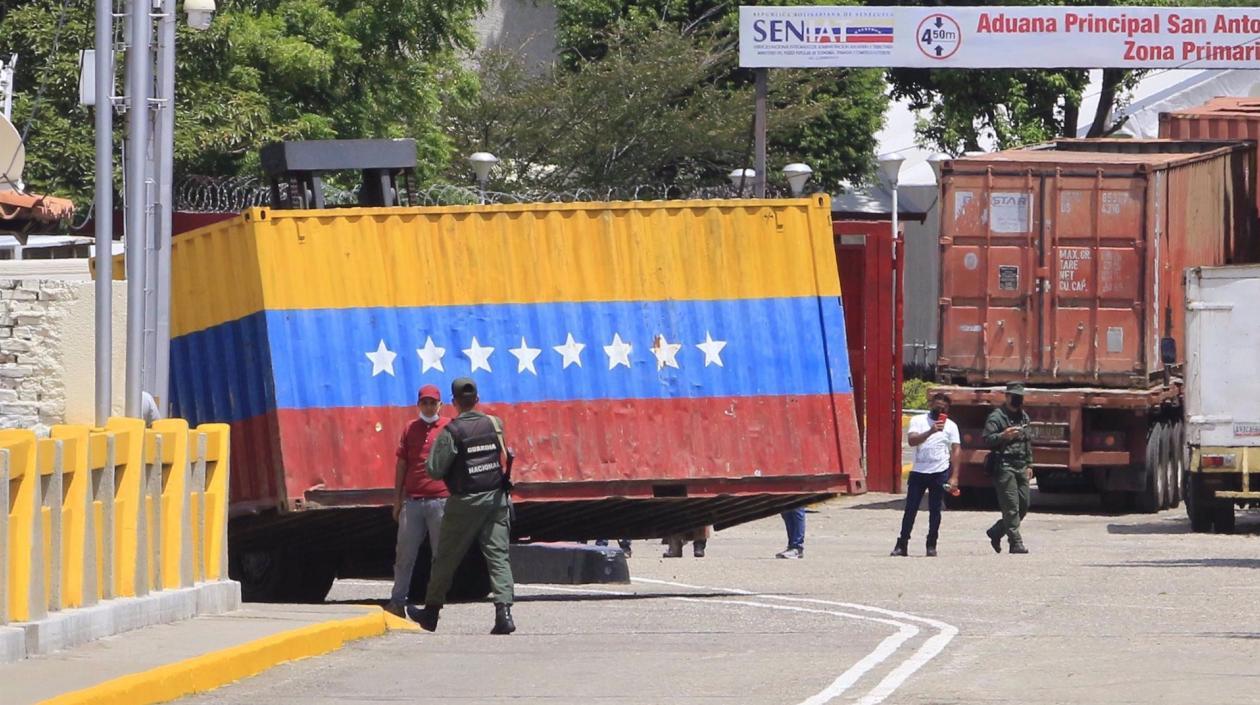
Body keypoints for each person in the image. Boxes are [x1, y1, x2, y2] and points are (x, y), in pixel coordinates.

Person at [409, 378, 517, 634]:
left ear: (454, 402)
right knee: (498, 557)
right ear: (477, 400)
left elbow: (434, 470)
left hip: (464, 503)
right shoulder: (494, 424)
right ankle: (504, 614)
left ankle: (431, 613)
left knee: (446, 557)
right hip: (495, 500)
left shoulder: (452, 432)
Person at [384, 385, 449, 619]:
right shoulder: (410, 429)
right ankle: (397, 602)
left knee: (440, 556)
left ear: (440, 405)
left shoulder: (448, 428)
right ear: (418, 405)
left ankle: (434, 605)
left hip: (441, 501)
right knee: (404, 554)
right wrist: (397, 499)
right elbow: (402, 464)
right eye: (425, 403)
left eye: (433, 403)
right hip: (413, 502)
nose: (429, 407)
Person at [892, 393, 960, 557]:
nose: (940, 409)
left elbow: (956, 449)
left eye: (944, 407)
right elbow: (912, 441)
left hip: (939, 472)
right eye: (937, 405)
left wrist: (954, 476)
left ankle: (931, 544)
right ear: (930, 405)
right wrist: (930, 431)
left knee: (935, 510)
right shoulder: (918, 421)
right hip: (918, 473)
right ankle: (902, 544)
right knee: (911, 509)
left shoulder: (951, 426)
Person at [983, 382, 1033, 555]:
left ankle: (997, 531)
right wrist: (1003, 436)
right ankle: (1015, 542)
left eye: (1020, 396)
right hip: (1004, 465)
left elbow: (1027, 442)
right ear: (1007, 397)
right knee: (1011, 506)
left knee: (1024, 505)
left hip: (1021, 465)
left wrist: (1029, 463)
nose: (1018, 399)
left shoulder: (1024, 417)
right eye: (1014, 396)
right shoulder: (997, 417)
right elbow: (987, 439)